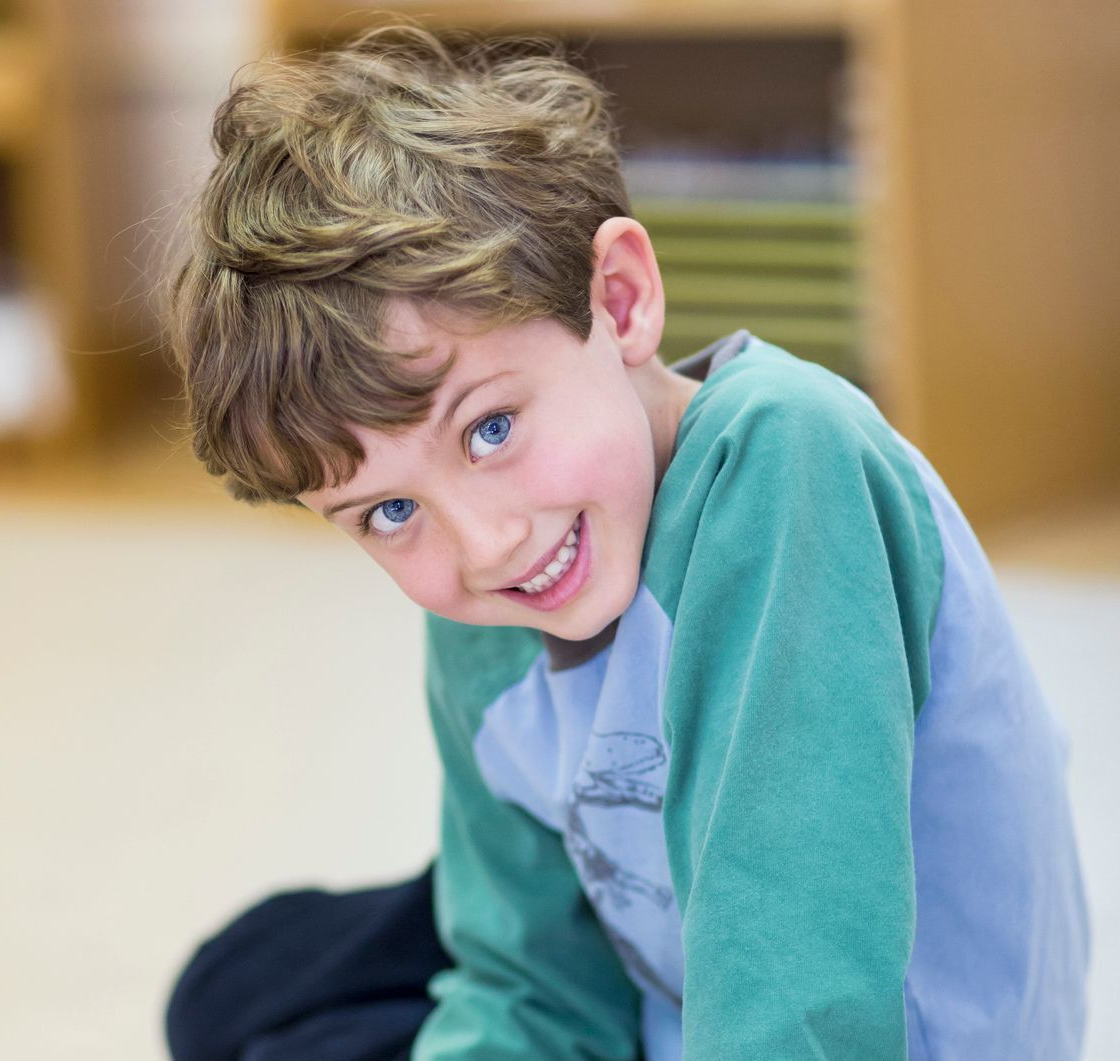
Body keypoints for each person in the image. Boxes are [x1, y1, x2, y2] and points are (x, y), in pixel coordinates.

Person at [161, 23, 1089, 1060]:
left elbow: (800, 995)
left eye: (490, 429)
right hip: (679, 993)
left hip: (825, 1023)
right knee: (246, 978)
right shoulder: (492, 595)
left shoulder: (785, 460)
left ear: (619, 297)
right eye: (387, 512)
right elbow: (528, 975)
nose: (485, 543)